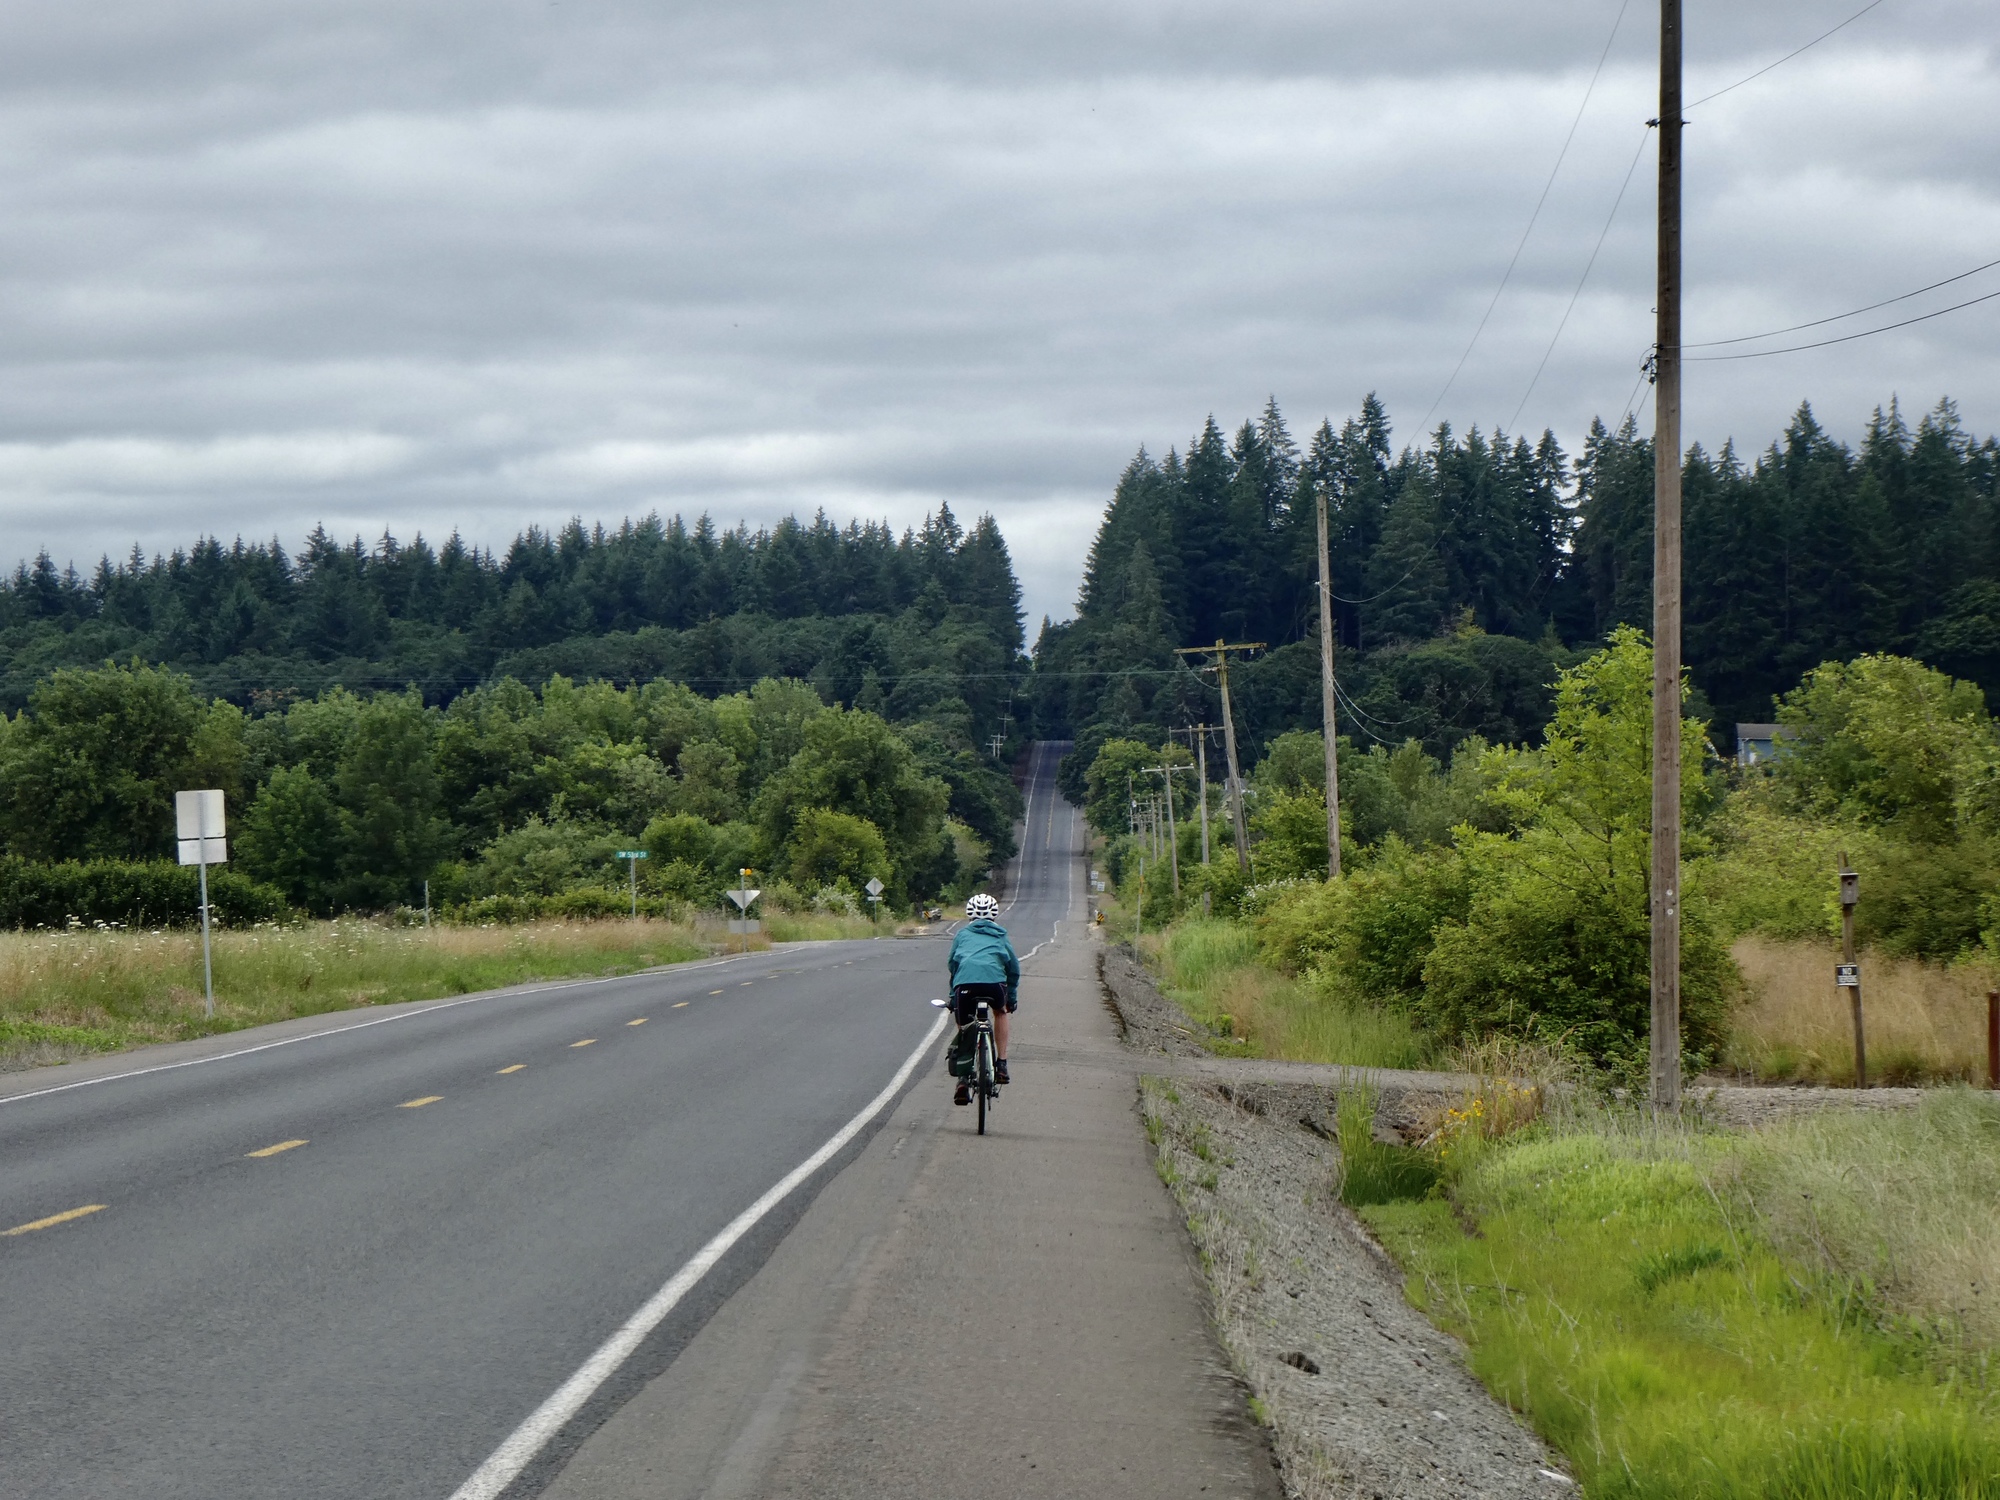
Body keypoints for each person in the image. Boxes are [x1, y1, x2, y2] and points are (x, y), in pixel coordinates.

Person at [947, 891, 1019, 1105]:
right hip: (994, 985)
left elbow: (953, 966)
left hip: (965, 985)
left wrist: (953, 996)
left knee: (965, 1023)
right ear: (994, 915)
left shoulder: (961, 935)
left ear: (969, 915)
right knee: (1000, 1012)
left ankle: (962, 1078)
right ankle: (1002, 1064)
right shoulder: (1001, 935)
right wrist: (1011, 998)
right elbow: (1013, 969)